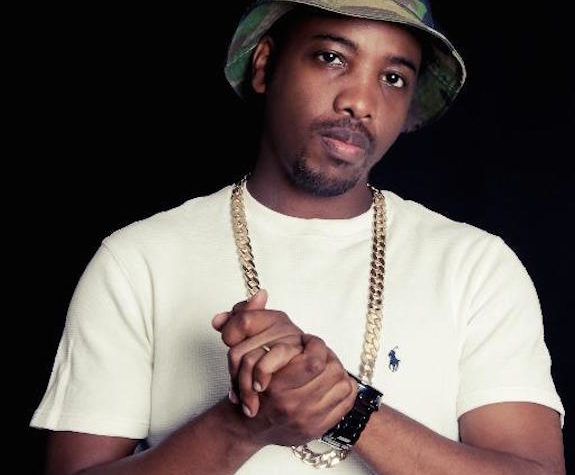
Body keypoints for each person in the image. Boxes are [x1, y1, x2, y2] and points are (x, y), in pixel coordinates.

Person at [30, 0, 566, 474]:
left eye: (393, 77)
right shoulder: (139, 260)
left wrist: (346, 406)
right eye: (331, 57)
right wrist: (243, 426)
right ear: (265, 65)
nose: (360, 100)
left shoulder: (475, 266)